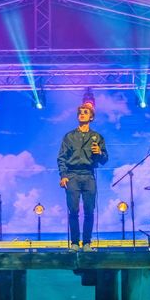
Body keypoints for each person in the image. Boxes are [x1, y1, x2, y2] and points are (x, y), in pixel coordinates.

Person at [57, 103, 108, 252]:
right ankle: (74, 243)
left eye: (85, 112)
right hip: (72, 175)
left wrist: (99, 152)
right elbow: (61, 158)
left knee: (89, 211)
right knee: (73, 210)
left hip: (88, 175)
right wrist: (63, 175)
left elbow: (105, 159)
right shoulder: (69, 136)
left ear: (91, 117)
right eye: (80, 112)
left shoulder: (97, 137)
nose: (82, 114)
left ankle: (87, 243)